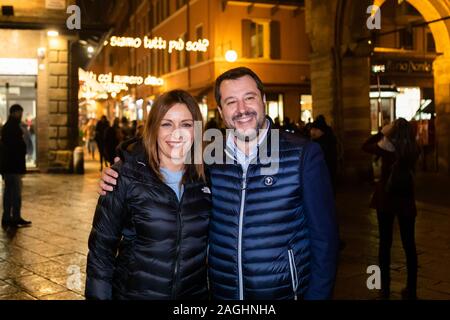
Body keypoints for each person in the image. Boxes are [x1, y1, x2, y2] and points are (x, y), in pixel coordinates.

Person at [100, 67, 339, 300]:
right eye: (231, 101)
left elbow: (325, 240)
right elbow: (166, 146)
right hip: (222, 294)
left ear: (263, 100)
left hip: (283, 292)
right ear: (221, 111)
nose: (242, 109)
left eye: (249, 97)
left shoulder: (302, 154)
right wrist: (124, 166)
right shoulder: (210, 153)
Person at [86, 90, 211, 300]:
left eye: (186, 124)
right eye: (167, 124)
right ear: (153, 128)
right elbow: (101, 251)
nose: (176, 133)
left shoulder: (208, 178)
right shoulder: (124, 176)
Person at [362, 118, 419, 300]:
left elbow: (365, 145)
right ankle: (411, 289)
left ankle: (383, 288)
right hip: (406, 199)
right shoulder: (413, 148)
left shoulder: (384, 147)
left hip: (385, 199)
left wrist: (382, 132)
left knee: (385, 244)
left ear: (392, 131)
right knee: (409, 245)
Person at [1, 104, 32, 228]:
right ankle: (14, 217)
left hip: (9, 167)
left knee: (9, 192)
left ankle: (8, 217)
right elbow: (14, 147)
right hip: (12, 167)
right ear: (14, 113)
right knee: (14, 193)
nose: (21, 116)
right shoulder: (11, 127)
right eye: (20, 113)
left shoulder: (9, 127)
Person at [309, 115, 338, 194]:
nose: (312, 132)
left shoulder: (322, 144)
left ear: (322, 131)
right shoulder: (316, 142)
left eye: (315, 129)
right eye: (311, 129)